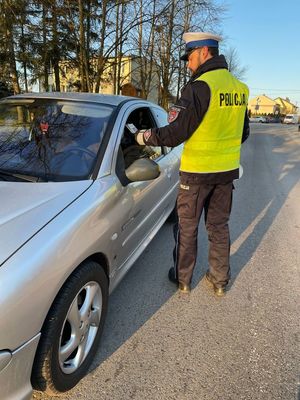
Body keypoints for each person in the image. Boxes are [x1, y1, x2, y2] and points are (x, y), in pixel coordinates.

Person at [135, 32, 250, 296]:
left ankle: (183, 279)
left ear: (204, 52)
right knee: (218, 226)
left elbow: (176, 132)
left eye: (190, 56)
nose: (188, 63)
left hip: (196, 174)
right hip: (225, 174)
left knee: (187, 227)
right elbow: (243, 133)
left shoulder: (199, 87)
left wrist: (146, 136)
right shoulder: (239, 88)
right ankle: (220, 281)